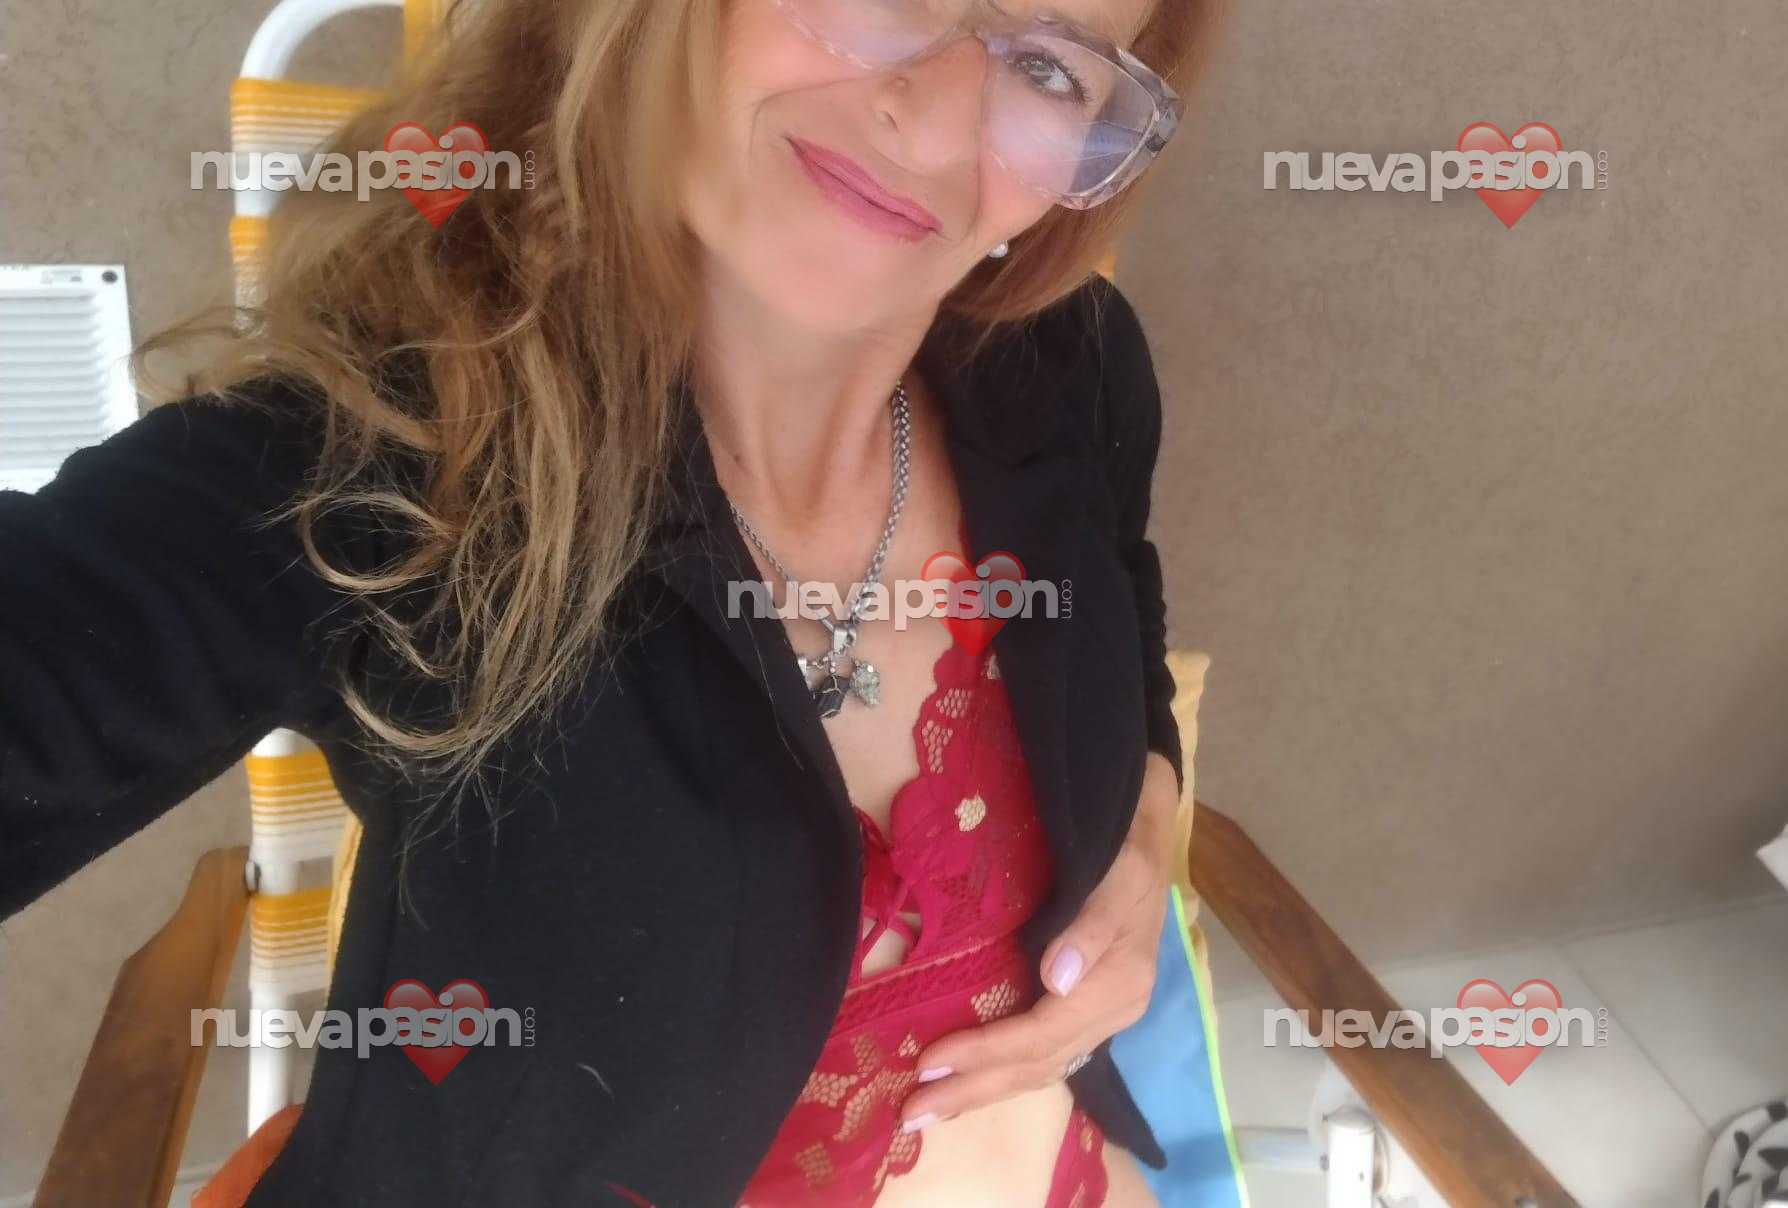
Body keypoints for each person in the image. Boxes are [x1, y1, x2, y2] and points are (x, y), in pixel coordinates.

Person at [1, 0, 1219, 1202]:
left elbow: (1125, 596)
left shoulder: (1070, 368)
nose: (940, 123)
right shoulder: (382, 473)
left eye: (1052, 70)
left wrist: (1145, 815)